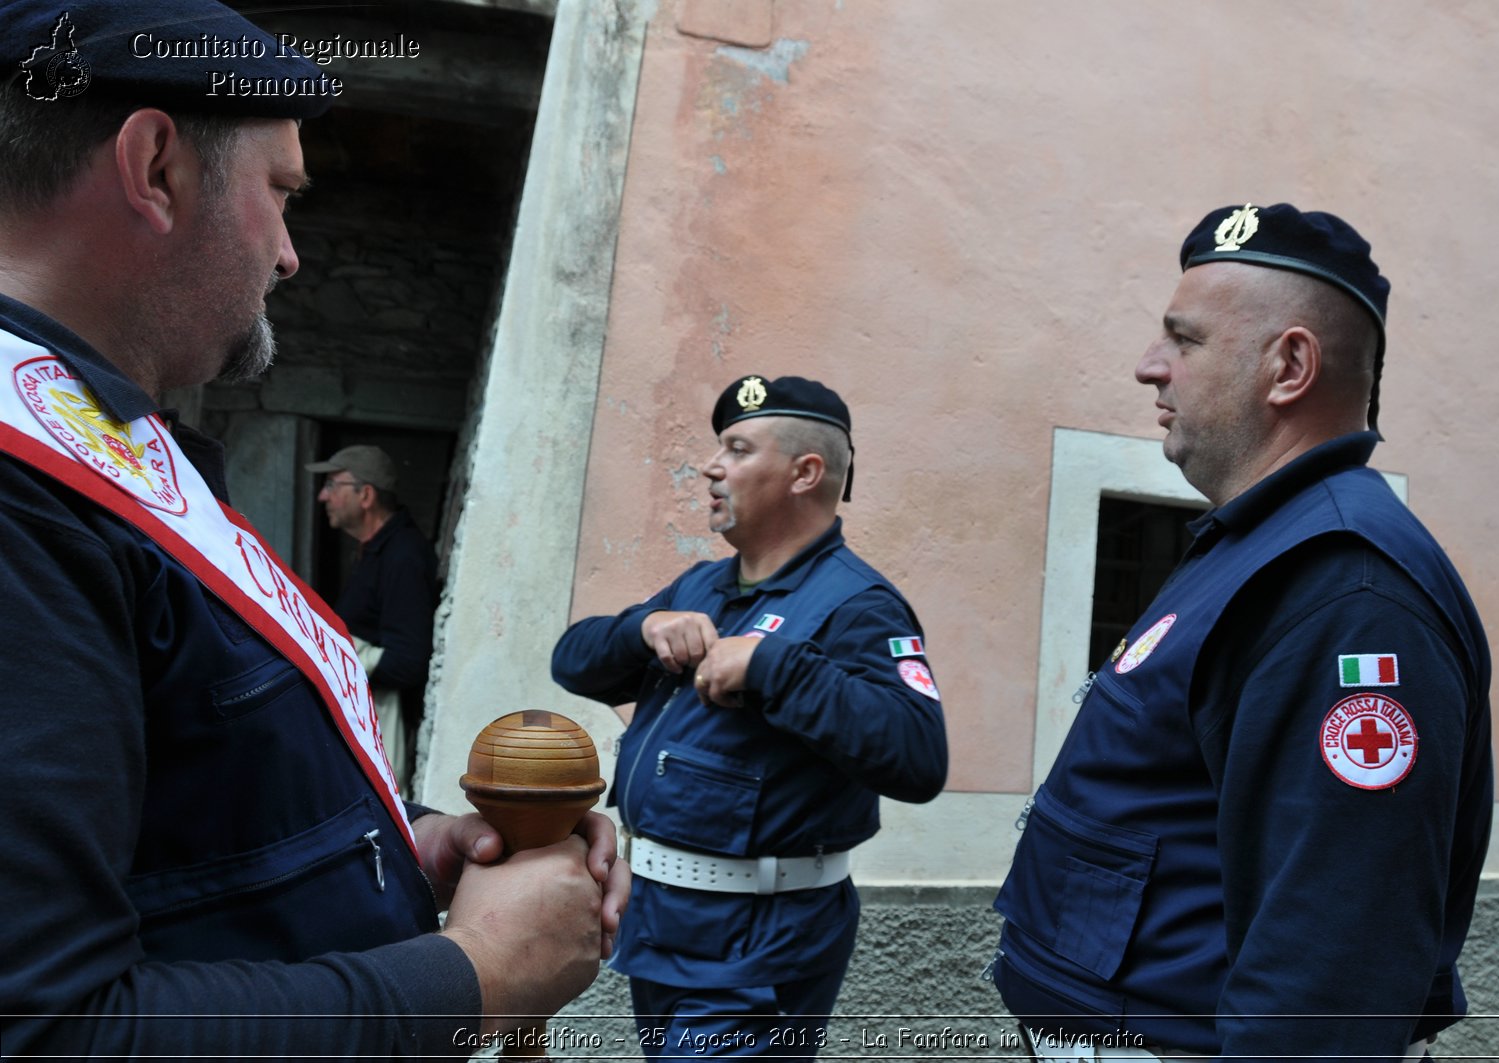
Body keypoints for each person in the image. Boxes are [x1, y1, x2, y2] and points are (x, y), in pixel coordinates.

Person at [0, 1, 627, 1057]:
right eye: (281, 194)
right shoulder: (26, 496)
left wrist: (404, 847)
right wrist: (472, 978)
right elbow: (47, 1030)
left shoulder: (96, 445)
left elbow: (185, 823)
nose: (290, 255)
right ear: (156, 167)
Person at [992, 203, 1493, 1061]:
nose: (1150, 368)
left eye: (1183, 341)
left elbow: (1330, 967)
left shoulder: (1344, 586)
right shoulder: (1257, 544)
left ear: (1288, 365)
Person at [551, 374, 949, 1060]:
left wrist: (773, 667)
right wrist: (643, 628)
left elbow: (918, 755)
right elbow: (572, 660)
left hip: (761, 939)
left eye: (737, 449)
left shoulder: (859, 605)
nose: (711, 466)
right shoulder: (704, 583)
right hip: (663, 920)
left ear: (805, 472)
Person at [307, 444, 439, 796]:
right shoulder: (375, 548)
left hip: (383, 728)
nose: (323, 496)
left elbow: (409, 663)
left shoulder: (403, 556)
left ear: (365, 495)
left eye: (333, 486)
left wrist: (337, 651)